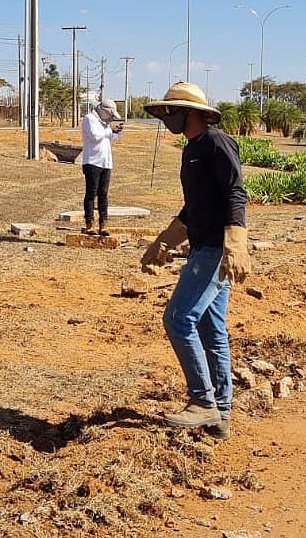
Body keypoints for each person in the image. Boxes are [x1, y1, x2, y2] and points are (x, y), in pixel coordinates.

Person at [140, 82, 250, 440]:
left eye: (171, 111)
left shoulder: (217, 143)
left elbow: (235, 191)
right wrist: (163, 242)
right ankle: (221, 414)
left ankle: (202, 401)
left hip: (216, 250)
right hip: (203, 245)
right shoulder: (192, 150)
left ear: (191, 113)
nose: (166, 117)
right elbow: (194, 209)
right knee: (211, 330)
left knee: (178, 318)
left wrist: (236, 242)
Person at [80, 98, 123, 236]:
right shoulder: (89, 119)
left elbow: (109, 138)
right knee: (91, 194)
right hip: (92, 162)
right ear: (103, 111)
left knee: (103, 194)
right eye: (110, 115)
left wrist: (117, 132)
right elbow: (95, 136)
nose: (111, 118)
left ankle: (103, 224)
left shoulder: (105, 123)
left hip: (106, 162)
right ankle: (89, 223)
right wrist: (109, 130)